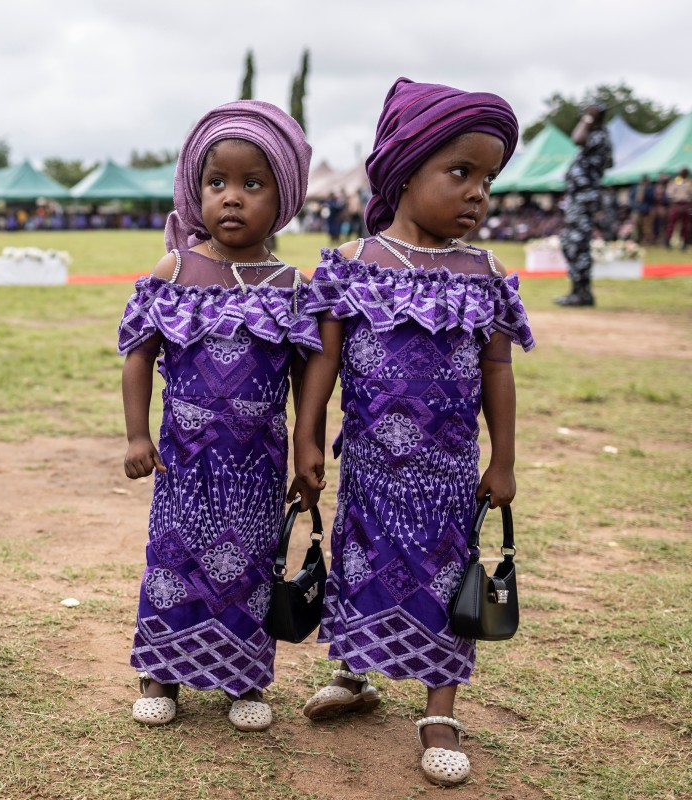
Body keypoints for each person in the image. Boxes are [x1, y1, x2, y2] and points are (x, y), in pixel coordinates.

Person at [292, 78, 534, 786]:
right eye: (460, 172)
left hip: (450, 471)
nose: (478, 193)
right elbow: (324, 360)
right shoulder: (349, 266)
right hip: (369, 464)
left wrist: (504, 460)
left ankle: (440, 710)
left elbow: (497, 372)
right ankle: (355, 673)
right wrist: (307, 438)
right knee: (362, 564)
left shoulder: (484, 274)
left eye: (487, 178)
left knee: (446, 578)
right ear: (403, 173)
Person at [118, 101, 319, 732]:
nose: (232, 198)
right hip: (185, 463)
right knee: (174, 560)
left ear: (282, 196)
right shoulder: (174, 271)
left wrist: (308, 442)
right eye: (217, 183)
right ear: (194, 190)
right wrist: (136, 434)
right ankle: (162, 673)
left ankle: (245, 677)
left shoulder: (291, 285)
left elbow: (311, 373)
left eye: (251, 184)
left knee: (253, 565)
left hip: (257, 469)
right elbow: (137, 353)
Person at [556, 104, 612, 306]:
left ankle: (582, 294)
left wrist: (588, 119)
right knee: (570, 243)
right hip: (579, 197)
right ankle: (578, 291)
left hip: (584, 198)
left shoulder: (597, 135)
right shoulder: (600, 136)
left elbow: (577, 138)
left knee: (577, 245)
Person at [664, 167, 691, 250]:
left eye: (685, 172)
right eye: (683, 172)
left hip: (686, 205)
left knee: (685, 225)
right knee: (671, 224)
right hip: (675, 205)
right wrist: (674, 205)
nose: (684, 173)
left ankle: (684, 244)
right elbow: (669, 194)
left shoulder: (689, 183)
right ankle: (667, 242)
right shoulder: (675, 182)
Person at [628, 176, 655, 245]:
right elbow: (631, 198)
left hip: (645, 210)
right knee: (635, 226)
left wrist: (647, 188)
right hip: (636, 209)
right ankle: (635, 240)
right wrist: (634, 206)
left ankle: (646, 240)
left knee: (645, 227)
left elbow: (651, 198)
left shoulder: (649, 189)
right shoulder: (634, 188)